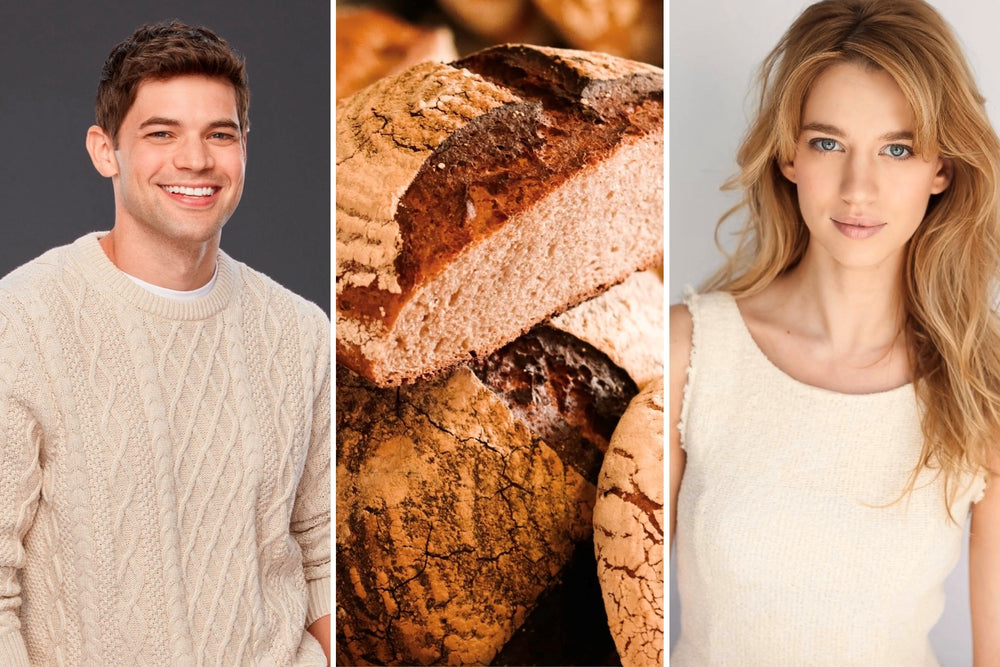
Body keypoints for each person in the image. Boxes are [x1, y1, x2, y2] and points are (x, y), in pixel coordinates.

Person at [669, 0, 1000, 664]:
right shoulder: (687, 354)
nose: (858, 188)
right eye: (828, 142)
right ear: (789, 155)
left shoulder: (982, 389)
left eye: (897, 149)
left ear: (942, 168)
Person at [0, 22, 330, 666]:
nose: (196, 160)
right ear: (105, 151)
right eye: (161, 134)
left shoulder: (301, 333)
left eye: (220, 135)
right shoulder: (24, 322)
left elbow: (321, 546)